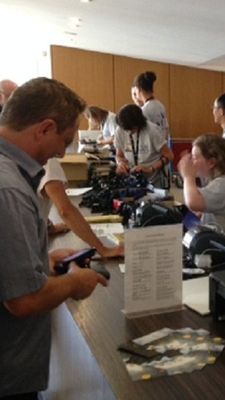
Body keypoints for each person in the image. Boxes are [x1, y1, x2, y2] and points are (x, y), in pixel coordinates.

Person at [0, 77, 108, 399]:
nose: (62, 150)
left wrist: (40, 262)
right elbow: (23, 300)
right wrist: (75, 282)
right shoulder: (10, 189)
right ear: (44, 128)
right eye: (65, 139)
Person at [38, 157, 124, 258]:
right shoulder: (48, 162)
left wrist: (48, 227)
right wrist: (103, 250)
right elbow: (65, 210)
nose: (62, 152)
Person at [178, 134, 225, 237]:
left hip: (222, 246)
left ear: (211, 162)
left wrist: (188, 176)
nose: (192, 163)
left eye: (195, 158)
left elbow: (193, 202)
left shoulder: (224, 184)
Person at [114, 104, 173, 188]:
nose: (129, 133)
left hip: (153, 181)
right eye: (126, 130)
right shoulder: (120, 130)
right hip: (131, 180)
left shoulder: (152, 130)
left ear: (139, 124)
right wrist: (120, 163)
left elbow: (169, 155)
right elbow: (119, 155)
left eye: (131, 129)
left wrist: (150, 168)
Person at [132, 71, 170, 140]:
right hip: (162, 145)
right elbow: (166, 129)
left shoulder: (144, 110)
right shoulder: (160, 105)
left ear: (139, 89)